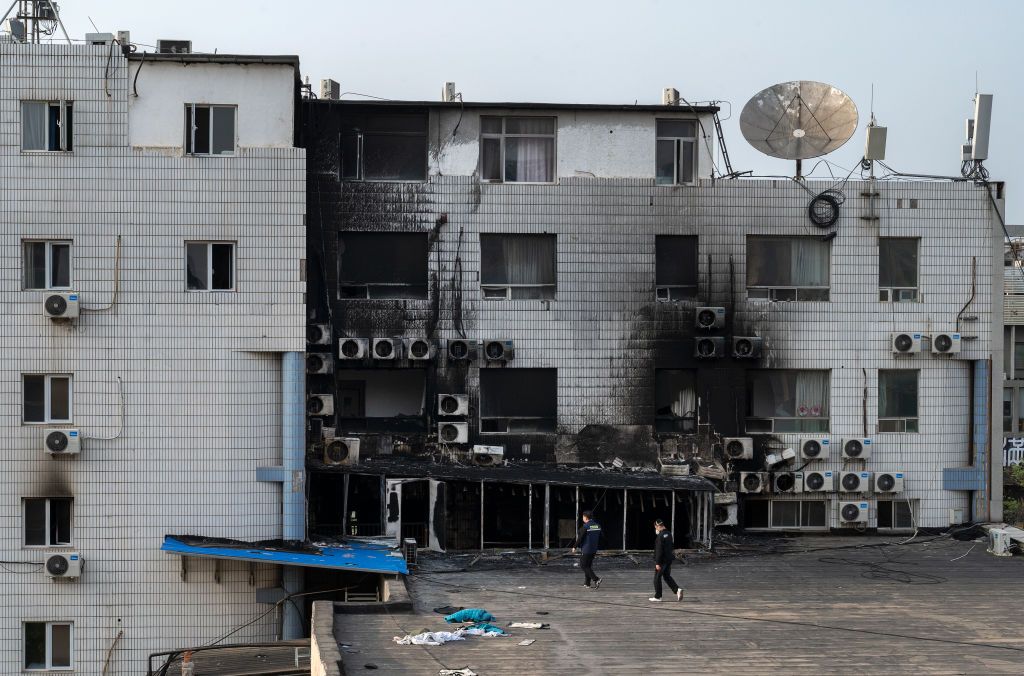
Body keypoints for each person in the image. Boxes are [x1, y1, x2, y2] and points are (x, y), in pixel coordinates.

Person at [649, 519, 682, 602]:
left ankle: (658, 596)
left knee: (657, 578)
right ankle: (677, 590)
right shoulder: (669, 534)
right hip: (669, 559)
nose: (656, 529)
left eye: (656, 527)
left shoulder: (660, 536)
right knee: (667, 576)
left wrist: (657, 563)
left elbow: (659, 550)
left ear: (657, 526)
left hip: (662, 561)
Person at [571, 510, 602, 589]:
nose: (582, 518)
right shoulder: (598, 526)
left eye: (583, 517)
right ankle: (587, 583)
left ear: (585, 517)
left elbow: (580, 538)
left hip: (586, 549)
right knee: (588, 566)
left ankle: (596, 579)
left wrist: (574, 546)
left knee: (583, 565)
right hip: (593, 549)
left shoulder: (586, 526)